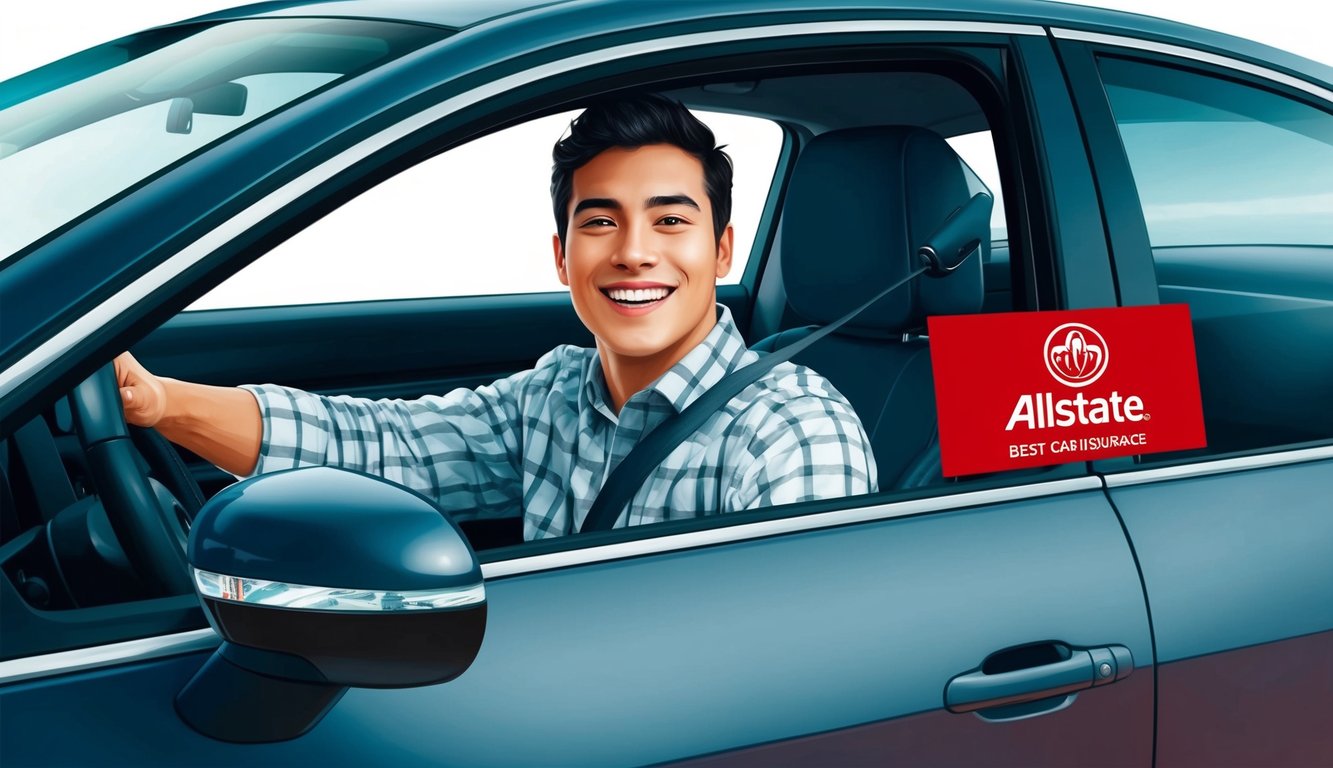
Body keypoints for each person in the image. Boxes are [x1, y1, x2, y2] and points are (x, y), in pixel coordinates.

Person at [115, 94, 878, 540]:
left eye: (671, 222)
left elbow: (797, 661)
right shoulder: (555, 394)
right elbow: (385, 450)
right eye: (601, 222)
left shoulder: (792, 434)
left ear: (721, 253)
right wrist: (159, 404)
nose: (634, 253)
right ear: (561, 256)